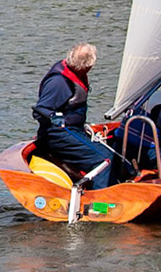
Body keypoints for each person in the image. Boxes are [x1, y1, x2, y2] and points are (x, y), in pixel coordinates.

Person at [32, 43, 129, 188]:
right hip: (60, 134)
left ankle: (116, 187)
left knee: (114, 155)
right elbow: (39, 110)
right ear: (85, 67)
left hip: (75, 130)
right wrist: (54, 118)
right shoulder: (59, 82)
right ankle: (100, 203)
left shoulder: (74, 74)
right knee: (104, 160)